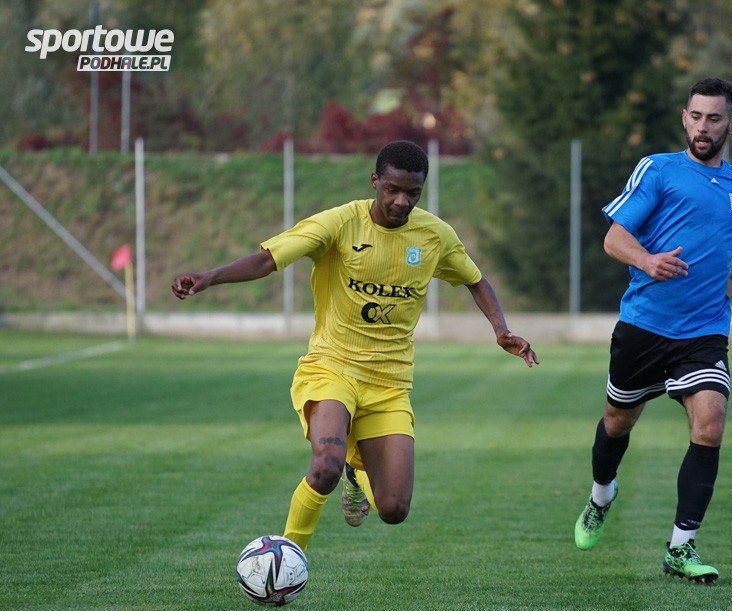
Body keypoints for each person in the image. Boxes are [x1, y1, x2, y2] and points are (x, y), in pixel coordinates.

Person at [172, 140, 539, 552]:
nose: (402, 202)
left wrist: (500, 329)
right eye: (393, 190)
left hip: (390, 384)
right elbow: (269, 259)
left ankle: (356, 471)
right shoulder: (340, 224)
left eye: (413, 193)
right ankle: (286, 558)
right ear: (375, 181)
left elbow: (475, 279)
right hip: (332, 368)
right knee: (324, 466)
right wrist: (209, 277)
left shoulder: (435, 236)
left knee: (394, 508)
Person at [572, 78, 732, 584]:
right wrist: (647, 261)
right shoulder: (658, 170)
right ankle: (601, 494)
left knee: (711, 423)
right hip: (645, 325)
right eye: (696, 117)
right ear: (684, 117)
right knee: (617, 422)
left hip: (704, 330)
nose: (703, 127)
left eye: (714, 119)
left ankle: (681, 547)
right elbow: (615, 238)